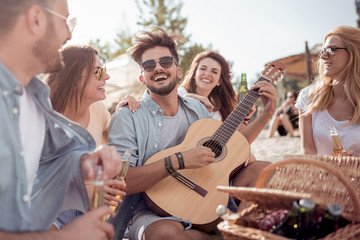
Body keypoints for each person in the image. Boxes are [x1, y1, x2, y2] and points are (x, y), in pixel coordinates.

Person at [108, 27, 277, 240]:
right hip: (150, 210)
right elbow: (121, 183)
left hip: (204, 199)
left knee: (264, 170)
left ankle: (238, 227)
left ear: (179, 71)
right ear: (142, 78)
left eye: (166, 62)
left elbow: (232, 146)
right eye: (149, 65)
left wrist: (267, 113)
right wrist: (178, 160)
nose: (158, 68)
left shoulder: (197, 109)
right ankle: (224, 235)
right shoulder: (128, 116)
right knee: (165, 235)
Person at [0, 0, 122, 239]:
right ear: (36, 19)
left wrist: (83, 163)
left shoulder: (35, 100)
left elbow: (47, 161)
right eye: (66, 21)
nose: (68, 35)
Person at [46, 45, 126, 228]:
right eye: (98, 72)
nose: (106, 77)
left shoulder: (98, 109)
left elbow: (115, 146)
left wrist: (127, 112)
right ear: (74, 79)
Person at [295, 26, 360, 156]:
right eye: (322, 51)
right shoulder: (308, 97)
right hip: (320, 174)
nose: (323, 56)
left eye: (331, 49)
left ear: (354, 52)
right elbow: (307, 150)